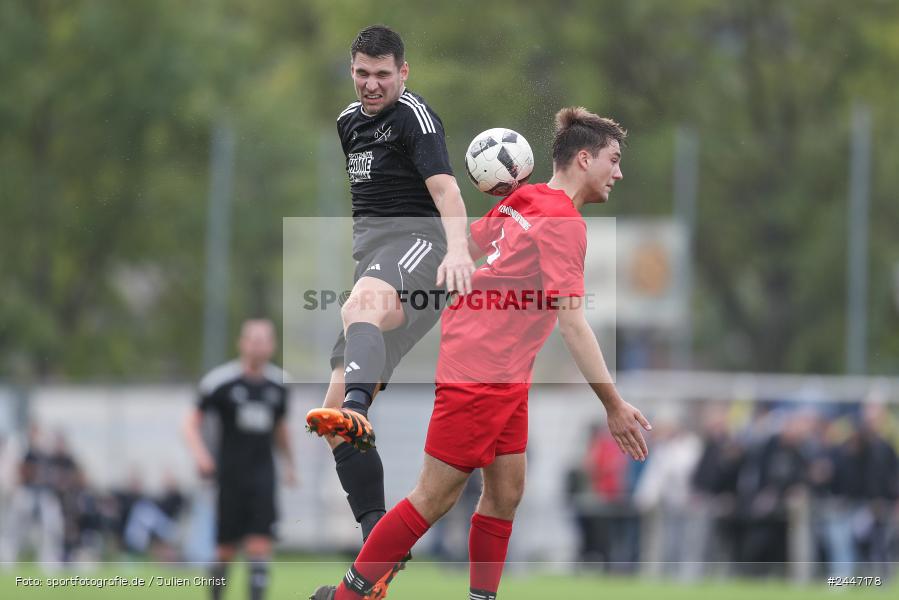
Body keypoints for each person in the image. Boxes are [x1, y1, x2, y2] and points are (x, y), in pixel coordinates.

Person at [310, 107, 652, 600]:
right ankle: (347, 596)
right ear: (583, 158)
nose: (618, 172)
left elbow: (466, 247)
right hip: (483, 370)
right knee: (434, 497)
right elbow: (573, 324)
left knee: (506, 493)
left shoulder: (529, 198)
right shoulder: (564, 223)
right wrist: (613, 405)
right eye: (613, 160)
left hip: (505, 372)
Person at [305, 23, 474, 549]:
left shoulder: (415, 117)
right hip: (376, 265)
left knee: (361, 311)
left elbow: (446, 192)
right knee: (331, 420)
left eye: (383, 74)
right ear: (351, 71)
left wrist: (461, 250)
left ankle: (360, 409)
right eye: (362, 73)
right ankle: (377, 542)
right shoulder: (346, 123)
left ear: (403, 72)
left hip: (423, 250)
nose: (372, 84)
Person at [183, 319, 296, 600]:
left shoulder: (279, 385)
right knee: (225, 549)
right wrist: (201, 455)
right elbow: (189, 424)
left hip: (262, 477)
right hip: (230, 477)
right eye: (253, 339)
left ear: (273, 345)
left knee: (260, 547)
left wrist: (289, 465)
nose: (258, 345)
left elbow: (281, 429)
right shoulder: (220, 382)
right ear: (242, 343)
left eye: (264, 340)